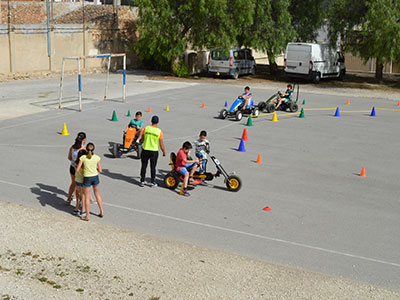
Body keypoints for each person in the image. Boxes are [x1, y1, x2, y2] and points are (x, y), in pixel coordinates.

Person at [76, 143, 104, 221]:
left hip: (87, 177)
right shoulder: (97, 158)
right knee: (97, 194)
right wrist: (95, 169)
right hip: (95, 177)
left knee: (87, 197)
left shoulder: (83, 158)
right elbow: (100, 170)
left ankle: (87, 216)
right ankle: (101, 211)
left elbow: (77, 169)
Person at [140, 115, 166, 187]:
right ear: (158, 122)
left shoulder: (146, 128)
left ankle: (142, 181)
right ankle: (152, 181)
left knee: (143, 166)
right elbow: (161, 143)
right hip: (153, 151)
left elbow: (142, 139)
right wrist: (164, 151)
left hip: (145, 149)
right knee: (153, 167)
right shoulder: (159, 131)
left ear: (151, 121)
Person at [66, 132, 86, 205]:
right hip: (80, 169)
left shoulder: (72, 147)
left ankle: (68, 199)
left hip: (72, 167)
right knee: (81, 186)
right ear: (84, 139)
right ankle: (79, 202)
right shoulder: (84, 149)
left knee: (73, 183)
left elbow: (69, 158)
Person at [73, 149, 87, 216]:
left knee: (78, 195)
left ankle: (76, 208)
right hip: (82, 181)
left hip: (77, 180)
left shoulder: (76, 162)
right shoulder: (83, 164)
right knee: (83, 195)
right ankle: (83, 210)